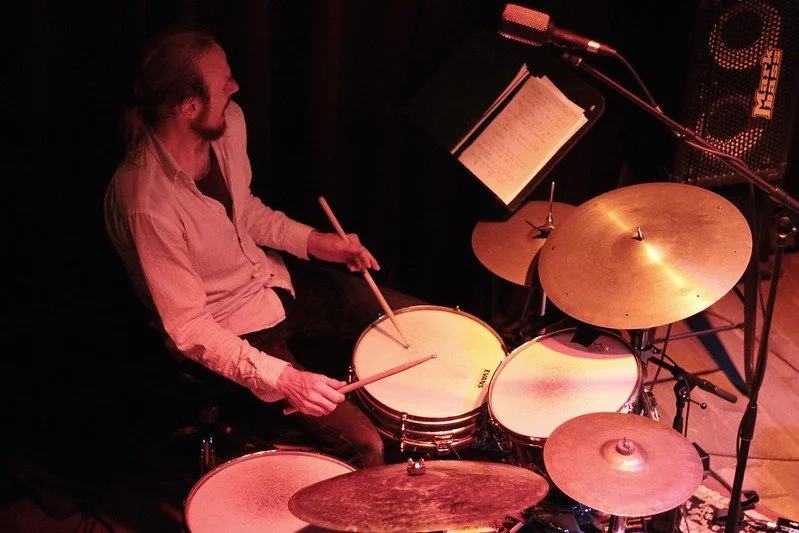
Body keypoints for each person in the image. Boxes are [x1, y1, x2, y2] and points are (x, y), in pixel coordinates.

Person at [104, 25, 414, 469]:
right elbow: (189, 327)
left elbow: (245, 212)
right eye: (223, 83)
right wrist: (284, 379)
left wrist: (319, 243)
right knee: (366, 445)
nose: (236, 87)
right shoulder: (145, 204)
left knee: (411, 322)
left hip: (271, 280)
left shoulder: (228, 124)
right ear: (188, 105)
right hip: (228, 326)